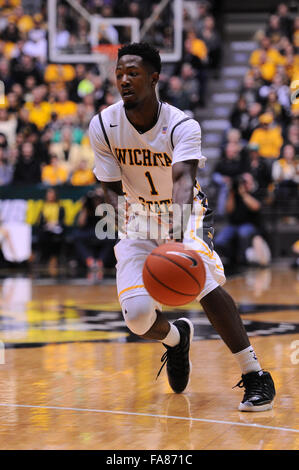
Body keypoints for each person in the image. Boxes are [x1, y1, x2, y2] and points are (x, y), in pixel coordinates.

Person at [89, 42, 275, 411]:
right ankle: (176, 340)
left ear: (154, 78)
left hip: (185, 212)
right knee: (139, 318)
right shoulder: (103, 125)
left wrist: (174, 236)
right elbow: (109, 189)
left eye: (133, 74)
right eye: (120, 74)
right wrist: (122, 226)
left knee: (200, 279)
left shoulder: (182, 125)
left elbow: (184, 183)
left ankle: (255, 374)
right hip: (137, 220)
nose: (124, 80)